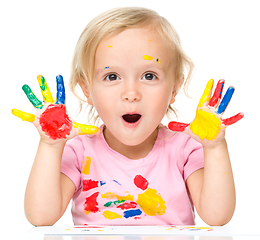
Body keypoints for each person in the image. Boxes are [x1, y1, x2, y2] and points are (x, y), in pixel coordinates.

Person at [12, 7, 243, 226]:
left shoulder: (185, 148)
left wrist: (214, 149)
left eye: (149, 76)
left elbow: (217, 217)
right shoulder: (79, 151)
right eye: (112, 76)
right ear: (86, 89)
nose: (131, 94)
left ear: (174, 88)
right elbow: (41, 217)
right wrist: (50, 147)